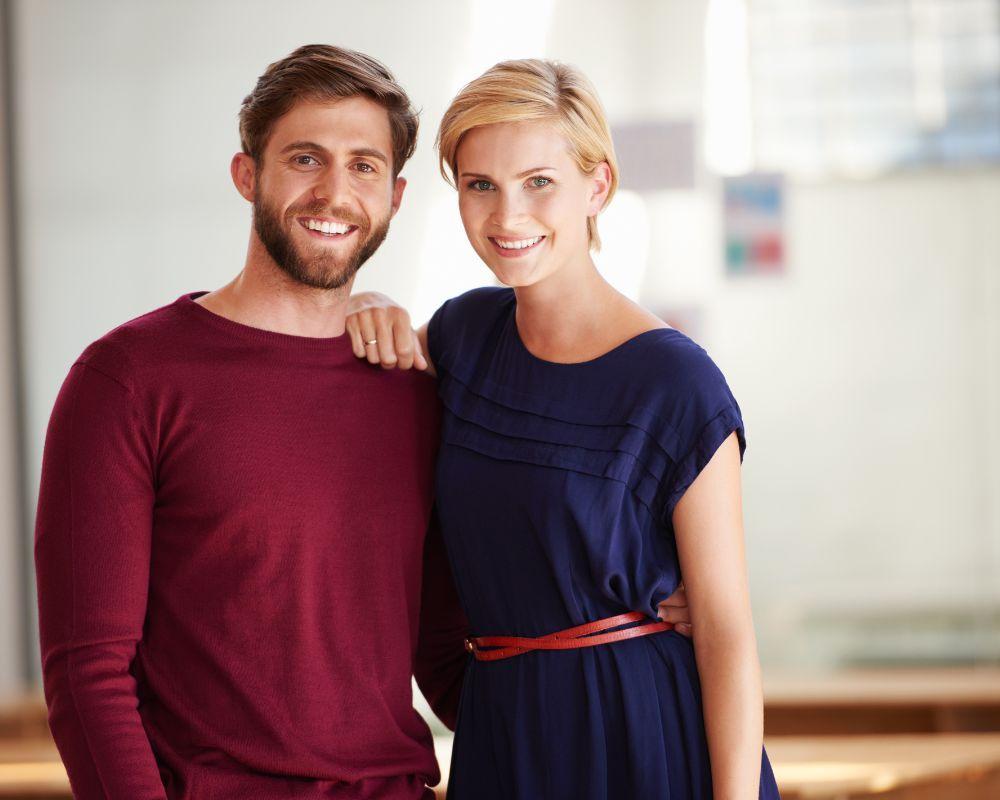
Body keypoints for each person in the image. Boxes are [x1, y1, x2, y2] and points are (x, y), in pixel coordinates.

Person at [347, 59, 781, 799]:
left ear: (598, 186)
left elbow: (726, 632)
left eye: (538, 181)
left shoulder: (676, 383)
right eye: (481, 185)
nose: (507, 215)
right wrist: (370, 299)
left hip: (643, 730)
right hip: (502, 732)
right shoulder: (460, 337)